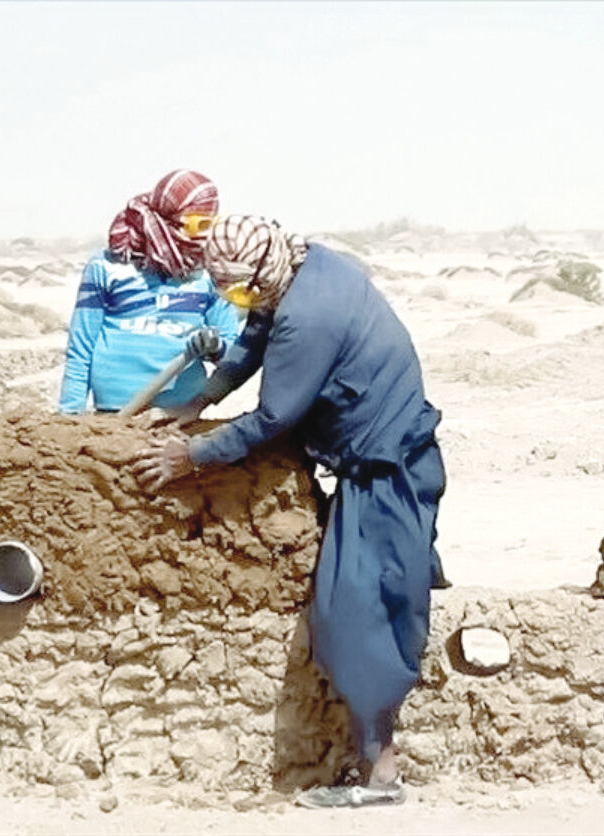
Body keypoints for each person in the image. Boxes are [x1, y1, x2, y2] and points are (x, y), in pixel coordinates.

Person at [130, 215, 446, 807]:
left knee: (358, 612)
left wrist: (190, 456)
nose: (237, 299)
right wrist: (202, 398)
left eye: (241, 287)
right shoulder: (299, 270)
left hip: (387, 472)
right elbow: (254, 334)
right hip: (375, 464)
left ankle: (382, 774)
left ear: (264, 268)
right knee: (360, 603)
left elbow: (274, 418)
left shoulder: (310, 314)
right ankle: (377, 761)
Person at [58, 170, 242, 413]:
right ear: (168, 220)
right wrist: (70, 416)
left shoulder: (211, 273)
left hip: (178, 414)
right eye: (199, 224)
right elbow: (80, 348)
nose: (205, 235)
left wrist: (214, 346)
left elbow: (233, 353)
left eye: (212, 224)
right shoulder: (107, 266)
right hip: (114, 415)